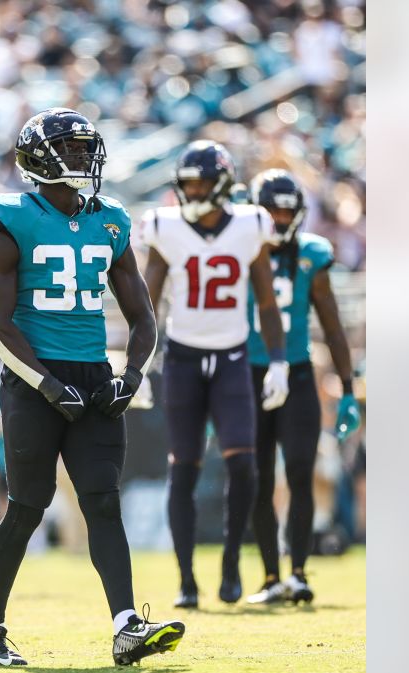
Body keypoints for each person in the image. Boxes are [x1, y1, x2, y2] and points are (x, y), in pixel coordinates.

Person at [0, 108, 185, 668]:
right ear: (39, 158)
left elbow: (142, 315)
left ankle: (126, 626)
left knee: (102, 502)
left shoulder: (110, 219)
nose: (86, 158)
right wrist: (43, 382)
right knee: (27, 506)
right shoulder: (7, 218)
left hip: (90, 376)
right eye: (72, 147)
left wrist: (130, 376)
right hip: (31, 375)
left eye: (88, 147)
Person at [140, 141, 290, 607]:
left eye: (199, 182)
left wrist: (279, 360)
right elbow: (147, 308)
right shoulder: (165, 228)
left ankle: (230, 562)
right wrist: (138, 366)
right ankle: (186, 579)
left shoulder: (249, 225)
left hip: (231, 359)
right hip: (183, 360)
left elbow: (266, 301)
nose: (192, 192)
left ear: (222, 184)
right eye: (186, 184)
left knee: (243, 465)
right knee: (183, 468)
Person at [242, 169, 361, 605]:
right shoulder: (238, 250)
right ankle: (271, 575)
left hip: (297, 372)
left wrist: (348, 388)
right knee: (256, 478)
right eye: (270, 209)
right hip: (249, 374)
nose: (278, 217)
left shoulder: (312, 254)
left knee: (299, 470)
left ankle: (297, 572)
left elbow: (332, 325)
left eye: (286, 210)